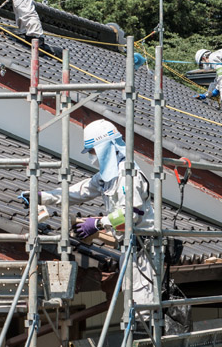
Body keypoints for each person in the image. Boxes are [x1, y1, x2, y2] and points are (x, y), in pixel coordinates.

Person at [25, 119, 161, 324]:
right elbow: (80, 191)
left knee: (142, 305)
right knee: (131, 302)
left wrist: (97, 224)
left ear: (106, 147)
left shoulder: (128, 174)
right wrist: (43, 196)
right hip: (129, 247)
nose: (92, 157)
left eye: (93, 151)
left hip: (143, 249)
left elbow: (131, 214)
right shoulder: (109, 175)